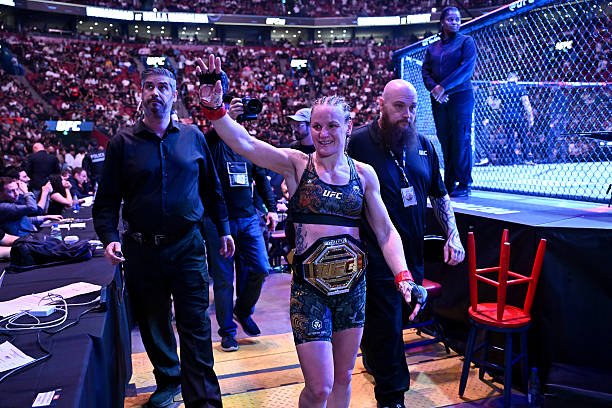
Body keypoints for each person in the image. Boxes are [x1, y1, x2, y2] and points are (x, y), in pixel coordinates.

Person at [196, 54, 428, 408]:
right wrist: (217, 111)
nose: (323, 134)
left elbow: (385, 232)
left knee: (343, 378)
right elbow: (246, 144)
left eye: (331, 126)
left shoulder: (364, 174)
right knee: (319, 387)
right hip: (310, 291)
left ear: (347, 128)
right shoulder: (296, 163)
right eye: (317, 126)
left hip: (353, 288)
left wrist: (403, 276)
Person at [93, 66, 235, 408]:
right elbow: (107, 200)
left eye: (164, 87)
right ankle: (169, 381)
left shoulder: (193, 137)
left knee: (196, 324)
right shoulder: (121, 143)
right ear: (140, 95)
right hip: (142, 249)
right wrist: (109, 236)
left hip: (188, 246)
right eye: (150, 87)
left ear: (175, 95)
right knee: (154, 323)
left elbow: (212, 190)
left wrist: (225, 229)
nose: (156, 92)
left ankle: (203, 399)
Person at [348, 79, 465, 408]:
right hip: (373, 254)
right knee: (387, 327)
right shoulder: (357, 144)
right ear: (381, 104)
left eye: (413, 108)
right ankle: (392, 397)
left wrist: (452, 234)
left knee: (389, 322)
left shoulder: (424, 145)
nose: (407, 114)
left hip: (411, 255)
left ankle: (374, 358)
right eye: (400, 106)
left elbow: (440, 196)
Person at [203, 94, 279, 352]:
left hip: (248, 218)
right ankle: (227, 332)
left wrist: (269, 208)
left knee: (261, 267)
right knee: (224, 280)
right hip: (219, 221)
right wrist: (226, 118)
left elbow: (262, 176)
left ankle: (243, 310)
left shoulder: (248, 142)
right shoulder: (213, 141)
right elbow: (208, 139)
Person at [422, 6, 477, 197]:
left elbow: (466, 70)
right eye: (451, 19)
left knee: (460, 139)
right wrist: (435, 89)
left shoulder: (466, 42)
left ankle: (464, 182)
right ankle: (449, 180)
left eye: (458, 19)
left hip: (460, 96)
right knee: (445, 138)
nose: (455, 22)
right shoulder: (432, 48)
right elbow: (426, 72)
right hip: (439, 99)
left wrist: (442, 87)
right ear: (443, 22)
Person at [497, 71, 535, 164]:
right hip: (519, 117)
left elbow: (497, 105)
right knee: (523, 137)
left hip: (506, 116)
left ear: (507, 78)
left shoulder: (502, 88)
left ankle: (512, 161)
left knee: (510, 138)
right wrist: (530, 117)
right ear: (516, 78)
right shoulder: (520, 87)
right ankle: (527, 158)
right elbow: (526, 104)